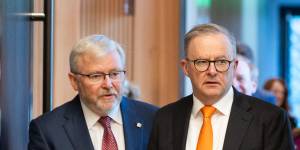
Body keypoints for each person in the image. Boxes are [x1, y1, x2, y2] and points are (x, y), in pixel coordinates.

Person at [148, 23, 294, 150]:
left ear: (234, 66)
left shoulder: (270, 120)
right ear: (186, 68)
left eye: (221, 62)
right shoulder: (165, 119)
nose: (212, 71)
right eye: (202, 62)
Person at [28, 35, 158, 150]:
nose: (108, 84)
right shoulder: (47, 131)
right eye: (96, 76)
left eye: (114, 74)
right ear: (74, 81)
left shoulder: (154, 119)